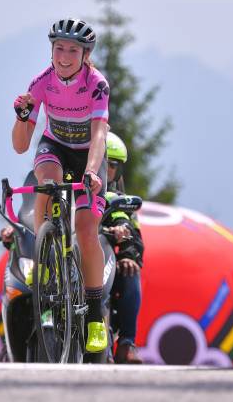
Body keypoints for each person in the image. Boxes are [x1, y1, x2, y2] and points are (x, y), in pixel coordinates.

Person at [11, 18, 110, 353]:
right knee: (47, 184)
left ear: (85, 54)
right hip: (55, 147)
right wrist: (22, 118)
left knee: (85, 228)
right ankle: (45, 260)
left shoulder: (96, 84)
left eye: (73, 50)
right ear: (51, 50)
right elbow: (21, 146)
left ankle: (95, 316)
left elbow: (99, 133)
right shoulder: (41, 82)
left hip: (88, 155)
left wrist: (93, 171)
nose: (65, 56)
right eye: (59, 48)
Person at [103, 132, 144, 364]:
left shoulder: (119, 199)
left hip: (103, 260)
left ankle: (126, 343)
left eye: (111, 165)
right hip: (70, 257)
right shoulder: (70, 189)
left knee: (130, 270)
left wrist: (128, 252)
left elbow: (131, 229)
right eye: (101, 162)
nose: (105, 169)